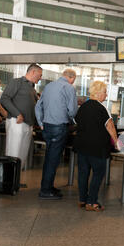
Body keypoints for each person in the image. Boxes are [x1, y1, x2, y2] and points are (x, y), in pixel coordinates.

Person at [73, 81, 119, 211]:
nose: (106, 94)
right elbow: (110, 126)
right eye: (104, 92)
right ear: (98, 93)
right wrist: (116, 141)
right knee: (98, 173)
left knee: (83, 173)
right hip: (96, 147)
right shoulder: (102, 108)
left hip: (82, 146)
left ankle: (82, 199)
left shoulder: (83, 107)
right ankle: (92, 202)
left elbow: (77, 122)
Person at [35, 69, 78, 200]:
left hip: (47, 126)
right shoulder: (69, 88)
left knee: (49, 157)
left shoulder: (48, 86)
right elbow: (72, 110)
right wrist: (72, 121)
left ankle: (47, 186)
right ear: (71, 78)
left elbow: (38, 106)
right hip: (59, 127)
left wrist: (41, 122)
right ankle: (46, 190)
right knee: (53, 159)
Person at [1, 63, 42, 169]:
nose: (40, 78)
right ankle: (8, 180)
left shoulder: (32, 88)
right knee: (13, 152)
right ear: (33, 72)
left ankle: (16, 180)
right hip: (17, 122)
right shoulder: (17, 82)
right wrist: (17, 114)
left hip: (28, 124)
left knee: (22, 155)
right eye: (40, 75)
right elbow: (4, 99)